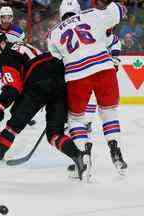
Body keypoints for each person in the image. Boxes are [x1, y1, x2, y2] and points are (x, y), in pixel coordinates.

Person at [0, 31, 90, 180]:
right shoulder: (22, 46)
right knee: (54, 134)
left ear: (2, 45)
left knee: (12, 127)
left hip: (38, 83)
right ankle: (79, 157)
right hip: (59, 80)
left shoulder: (5, 56)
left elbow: (13, 87)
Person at [47, 0, 128, 175]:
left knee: (75, 120)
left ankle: (83, 157)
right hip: (104, 68)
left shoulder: (52, 34)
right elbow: (118, 12)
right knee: (109, 114)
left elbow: (57, 63)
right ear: (78, 10)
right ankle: (115, 149)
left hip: (76, 75)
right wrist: (119, 6)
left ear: (61, 14)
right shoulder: (91, 14)